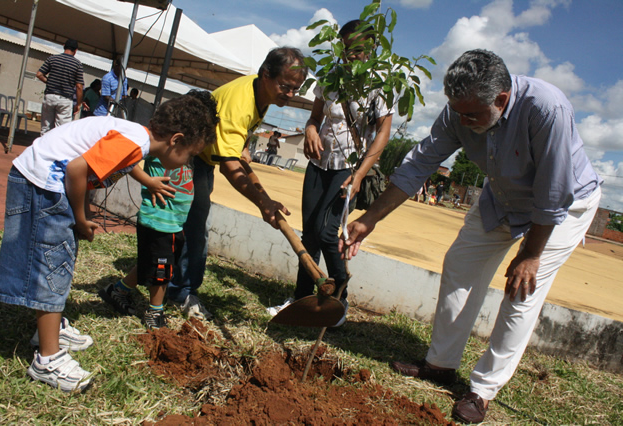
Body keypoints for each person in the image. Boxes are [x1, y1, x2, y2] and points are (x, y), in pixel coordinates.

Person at [340, 49, 602, 423]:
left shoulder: (546, 108)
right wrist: (371, 219)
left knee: (521, 289)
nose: (462, 121)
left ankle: (482, 389)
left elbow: (554, 191)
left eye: (472, 115)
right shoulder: (459, 110)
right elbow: (420, 164)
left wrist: (530, 254)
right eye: (457, 111)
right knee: (460, 264)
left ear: (501, 99)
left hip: (563, 208)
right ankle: (440, 364)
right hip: (503, 197)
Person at [0, 92, 219, 392]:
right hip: (44, 184)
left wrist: (86, 210)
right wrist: (79, 215)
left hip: (46, 180)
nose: (187, 161)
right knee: (52, 265)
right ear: (176, 140)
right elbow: (77, 169)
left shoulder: (136, 140)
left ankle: (49, 328)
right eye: (190, 154)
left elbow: (96, 166)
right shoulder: (135, 142)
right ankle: (47, 359)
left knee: (59, 259)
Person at [165, 47, 308, 319]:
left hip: (202, 157)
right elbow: (231, 168)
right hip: (183, 154)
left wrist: (241, 147)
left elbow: (234, 147)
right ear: (266, 74)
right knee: (192, 227)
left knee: (193, 224)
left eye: (295, 89)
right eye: (286, 87)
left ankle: (176, 285)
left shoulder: (261, 95)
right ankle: (180, 291)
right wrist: (263, 203)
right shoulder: (241, 103)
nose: (290, 95)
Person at [267, 20, 393, 325]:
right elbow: (315, 118)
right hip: (318, 164)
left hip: (347, 169)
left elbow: (383, 135)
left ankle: (339, 301)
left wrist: (360, 174)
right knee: (309, 233)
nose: (353, 55)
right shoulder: (330, 78)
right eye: (347, 48)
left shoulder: (379, 85)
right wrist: (310, 130)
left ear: (372, 48)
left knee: (327, 232)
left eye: (360, 49)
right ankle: (300, 299)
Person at [99, 91, 219, 329]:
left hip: (174, 221)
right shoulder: (162, 144)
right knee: (162, 269)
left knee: (149, 263)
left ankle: (117, 290)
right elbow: (127, 160)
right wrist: (148, 181)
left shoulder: (185, 145)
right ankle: (155, 312)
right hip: (159, 218)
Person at [36, 38, 84, 135]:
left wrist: (49, 82)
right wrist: (78, 104)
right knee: (61, 129)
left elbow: (39, 74)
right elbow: (79, 86)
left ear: (64, 46)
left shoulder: (52, 59)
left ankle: (43, 147)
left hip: (49, 96)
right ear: (76, 50)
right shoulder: (77, 64)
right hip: (65, 99)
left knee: (46, 127)